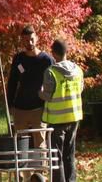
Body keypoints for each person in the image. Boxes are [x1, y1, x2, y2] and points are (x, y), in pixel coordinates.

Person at [39, 38, 83, 182]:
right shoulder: (78, 70)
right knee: (69, 154)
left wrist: (39, 92)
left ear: (54, 54)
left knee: (56, 156)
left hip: (57, 120)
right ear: (66, 52)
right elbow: (81, 89)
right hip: (74, 117)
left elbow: (47, 95)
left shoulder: (51, 72)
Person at [7, 26, 53, 150]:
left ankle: (40, 169)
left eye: (32, 39)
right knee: (21, 143)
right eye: (26, 40)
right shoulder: (18, 59)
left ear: (37, 38)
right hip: (20, 108)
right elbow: (12, 82)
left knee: (40, 142)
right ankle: (23, 169)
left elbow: (53, 84)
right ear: (22, 41)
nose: (30, 43)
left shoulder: (46, 60)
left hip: (39, 107)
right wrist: (10, 104)